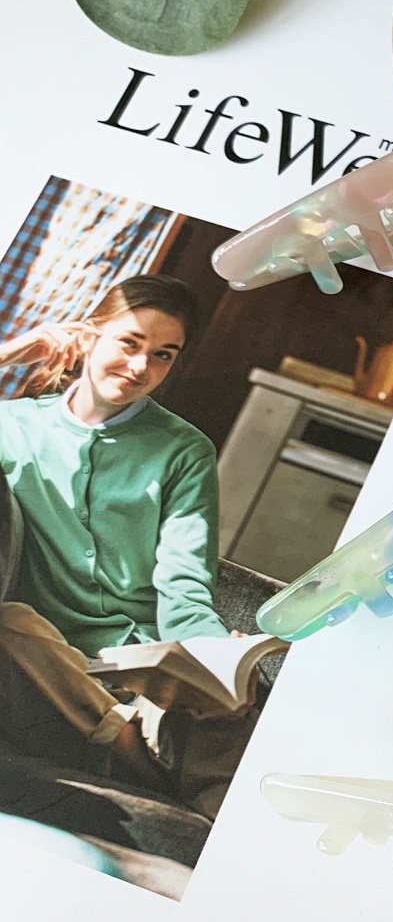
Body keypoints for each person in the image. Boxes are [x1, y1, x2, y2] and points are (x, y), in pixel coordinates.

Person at [0, 274, 230, 658]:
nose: (140, 367)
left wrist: (214, 653)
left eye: (163, 354)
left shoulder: (186, 451)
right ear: (87, 337)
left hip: (132, 651)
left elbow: (184, 583)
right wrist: (7, 354)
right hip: (26, 643)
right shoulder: (11, 424)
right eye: (129, 342)